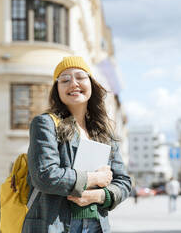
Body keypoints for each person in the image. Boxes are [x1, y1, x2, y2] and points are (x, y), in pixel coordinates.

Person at [22, 56, 132, 233]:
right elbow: (45, 175)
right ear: (57, 90)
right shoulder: (45, 124)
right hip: (55, 225)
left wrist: (99, 195)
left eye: (80, 77)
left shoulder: (104, 132)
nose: (73, 84)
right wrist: (94, 178)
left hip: (96, 225)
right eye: (65, 80)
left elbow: (124, 182)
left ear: (91, 84)